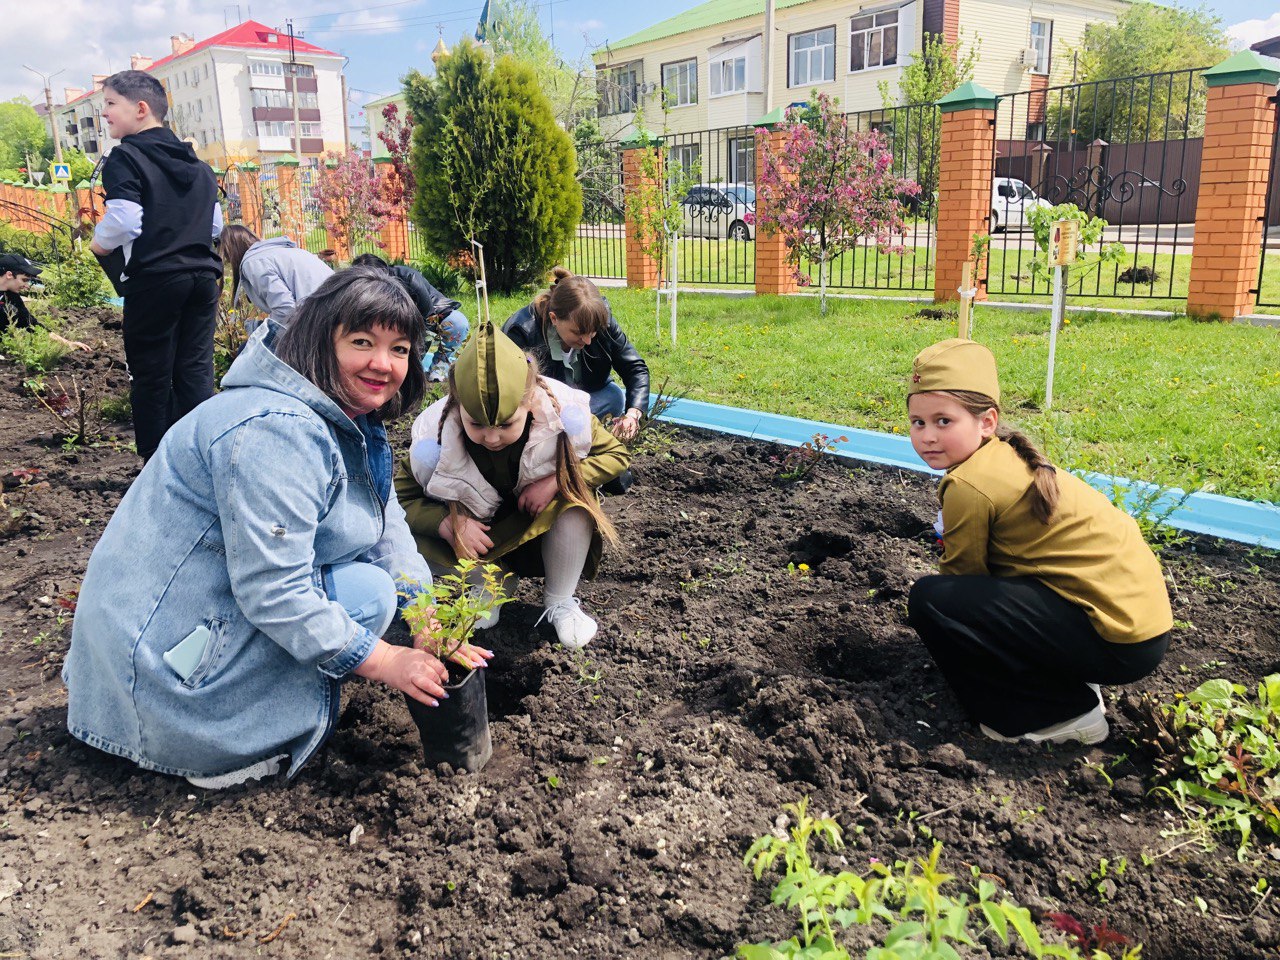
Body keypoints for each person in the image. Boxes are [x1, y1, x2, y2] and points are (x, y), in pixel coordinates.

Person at [62, 268, 485, 789]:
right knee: (365, 594)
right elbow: (274, 591)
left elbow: (384, 524)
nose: (384, 363)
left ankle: (255, 706)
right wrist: (386, 659)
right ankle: (222, 741)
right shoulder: (275, 431)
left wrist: (424, 612)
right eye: (361, 342)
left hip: (182, 624)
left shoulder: (342, 413)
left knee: (373, 588)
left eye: (400, 348)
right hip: (157, 677)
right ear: (319, 340)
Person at [904, 338, 1172, 746]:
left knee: (932, 600)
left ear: (987, 421)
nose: (927, 436)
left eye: (944, 421)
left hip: (1118, 642)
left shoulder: (969, 484)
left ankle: (1056, 715)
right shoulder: (1005, 456)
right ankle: (1065, 685)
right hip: (1136, 628)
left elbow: (962, 582)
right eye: (918, 422)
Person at [396, 322, 630, 649]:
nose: (492, 438)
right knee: (402, 537)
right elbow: (398, 499)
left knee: (576, 504)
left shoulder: (562, 413)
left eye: (506, 424)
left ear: (530, 400)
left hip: (539, 532)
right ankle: (488, 589)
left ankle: (560, 601)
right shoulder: (432, 441)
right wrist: (447, 524)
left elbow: (616, 455)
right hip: (479, 543)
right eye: (476, 424)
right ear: (456, 405)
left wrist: (555, 482)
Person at [87, 70, 223, 460]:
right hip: (202, 279)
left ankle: (155, 467)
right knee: (195, 372)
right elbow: (213, 226)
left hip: (157, 280)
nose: (106, 115)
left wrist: (99, 244)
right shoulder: (199, 167)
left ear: (141, 109)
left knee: (151, 376)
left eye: (111, 104)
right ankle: (199, 459)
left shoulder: (125, 156)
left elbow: (126, 219)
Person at [503, 267, 650, 442]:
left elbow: (634, 368)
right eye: (578, 332)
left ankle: (571, 433)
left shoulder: (603, 322)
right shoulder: (522, 331)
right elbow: (510, 391)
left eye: (593, 332)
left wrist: (633, 414)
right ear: (554, 318)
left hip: (584, 398)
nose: (587, 341)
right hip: (540, 408)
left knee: (613, 397)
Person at [351, 253, 470, 382]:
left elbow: (429, 317)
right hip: (401, 323)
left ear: (385, 271)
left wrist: (416, 360)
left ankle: (439, 369)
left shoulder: (409, 277)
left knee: (458, 323)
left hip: (433, 315)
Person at [217, 224, 332, 330]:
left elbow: (285, 309)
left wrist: (263, 331)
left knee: (248, 349)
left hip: (324, 318)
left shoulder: (254, 262)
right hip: (338, 306)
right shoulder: (277, 251)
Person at [0, 253, 90, 351]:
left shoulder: (11, 297)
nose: (26, 285)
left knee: (10, 310)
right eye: (24, 280)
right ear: (9, 275)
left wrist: (67, 343)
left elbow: (31, 324)